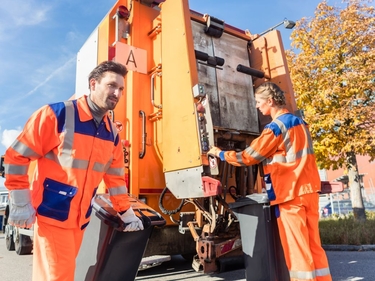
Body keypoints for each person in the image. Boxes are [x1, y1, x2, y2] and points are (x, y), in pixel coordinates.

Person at [4, 60, 144, 281]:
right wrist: (21, 201)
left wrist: (125, 211)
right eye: (111, 86)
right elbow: (16, 156)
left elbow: (115, 179)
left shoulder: (112, 134)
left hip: (80, 221)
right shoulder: (56, 115)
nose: (117, 93)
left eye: (120, 89)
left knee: (58, 275)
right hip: (53, 216)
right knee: (59, 277)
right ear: (93, 84)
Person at [208, 82, 332, 281]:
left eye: (258, 102)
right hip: (309, 192)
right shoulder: (300, 123)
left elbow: (248, 157)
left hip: (291, 196)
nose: (257, 106)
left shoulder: (276, 127)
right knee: (314, 246)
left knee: (297, 250)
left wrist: (220, 153)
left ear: (270, 101)